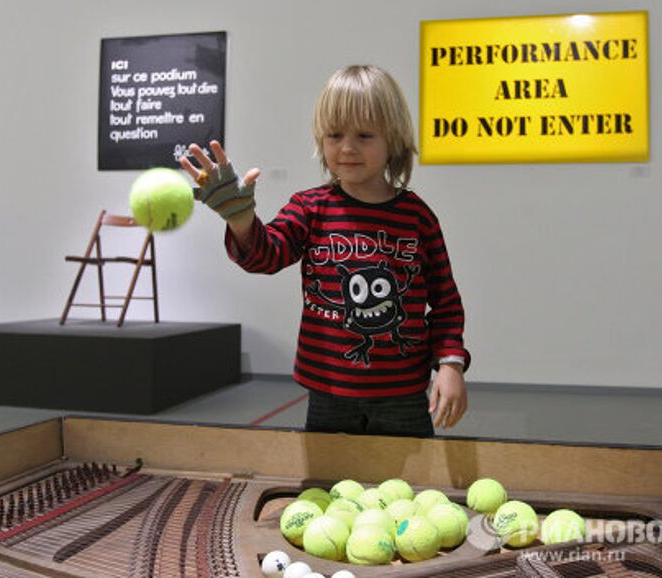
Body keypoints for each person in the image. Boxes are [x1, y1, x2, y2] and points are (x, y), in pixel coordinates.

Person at [180, 64, 470, 437]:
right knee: (331, 488)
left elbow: (445, 303)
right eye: (334, 135)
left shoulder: (418, 218)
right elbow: (268, 255)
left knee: (404, 491)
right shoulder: (309, 207)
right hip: (328, 392)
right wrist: (241, 222)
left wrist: (450, 364)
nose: (346, 148)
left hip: (403, 395)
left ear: (393, 139)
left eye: (364, 135)